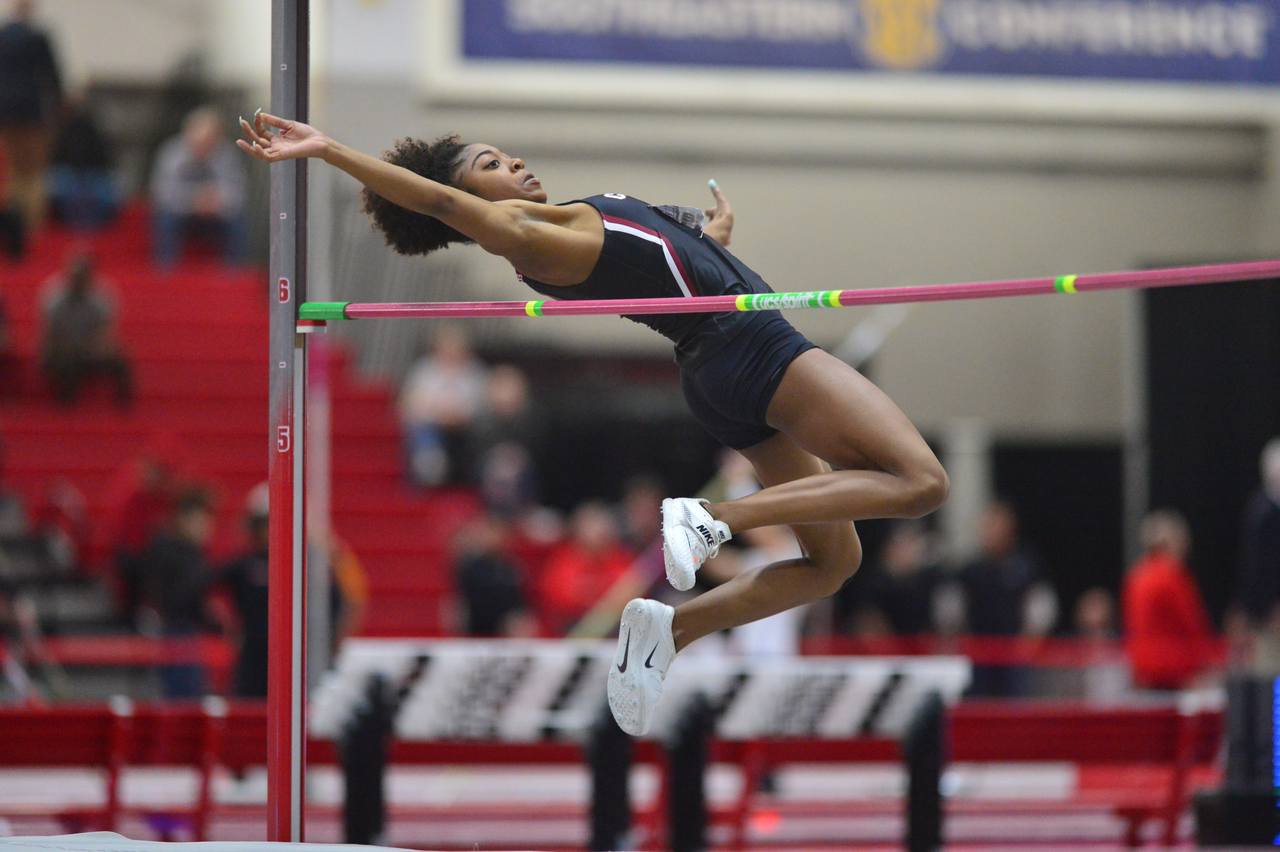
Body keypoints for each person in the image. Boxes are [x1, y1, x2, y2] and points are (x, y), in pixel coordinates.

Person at [238, 113, 949, 735]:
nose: (512, 163)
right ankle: (713, 518)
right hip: (755, 351)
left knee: (833, 564)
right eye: (490, 166)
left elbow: (667, 260)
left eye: (504, 154)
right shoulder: (517, 235)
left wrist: (713, 243)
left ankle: (671, 629)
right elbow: (432, 198)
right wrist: (328, 149)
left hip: (716, 369)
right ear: (467, 204)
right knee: (920, 482)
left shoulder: (564, 221)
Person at [957, 501, 1057, 696]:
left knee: (1015, 710)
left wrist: (1028, 643)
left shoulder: (1028, 566)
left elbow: (1042, 607)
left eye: (999, 525)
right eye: (989, 526)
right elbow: (954, 610)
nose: (993, 532)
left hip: (1015, 656)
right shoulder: (970, 570)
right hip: (979, 656)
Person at [1122, 509, 1217, 691]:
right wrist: (1206, 660)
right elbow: (1192, 624)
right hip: (1174, 669)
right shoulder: (1172, 575)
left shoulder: (1136, 575)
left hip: (1141, 667)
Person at [150, 106, 247, 266]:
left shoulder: (227, 154)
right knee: (164, 219)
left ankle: (235, 275)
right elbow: (162, 193)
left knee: (238, 220)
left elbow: (238, 192)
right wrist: (195, 200)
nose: (203, 147)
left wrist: (217, 201)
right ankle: (164, 272)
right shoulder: (171, 153)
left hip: (216, 214)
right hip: (180, 213)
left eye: (210, 141)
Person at [0, 0, 62, 245]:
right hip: (30, 115)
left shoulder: (4, 37)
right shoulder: (37, 38)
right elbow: (53, 77)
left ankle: (13, 221)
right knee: (32, 172)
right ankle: (27, 225)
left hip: (5, 113)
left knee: (12, 170)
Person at [398, 325, 489, 487]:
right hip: (429, 428)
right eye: (447, 347)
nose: (452, 352)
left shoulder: (475, 373)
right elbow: (410, 405)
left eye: (457, 348)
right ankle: (428, 472)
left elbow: (479, 407)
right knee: (422, 432)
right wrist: (439, 414)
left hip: (466, 429)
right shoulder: (424, 370)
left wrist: (453, 416)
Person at [39, 251, 132, 405]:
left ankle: (124, 409)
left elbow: (106, 333)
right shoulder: (53, 296)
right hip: (62, 350)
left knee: (120, 359)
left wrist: (97, 347)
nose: (78, 280)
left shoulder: (102, 295)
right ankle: (66, 405)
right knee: (66, 358)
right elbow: (50, 334)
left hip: (90, 348)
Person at [1233, 437, 1280, 674]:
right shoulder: (1265, 512)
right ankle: (1275, 713)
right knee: (1271, 672)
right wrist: (1264, 607)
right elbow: (1261, 565)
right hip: (1269, 612)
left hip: (1266, 609)